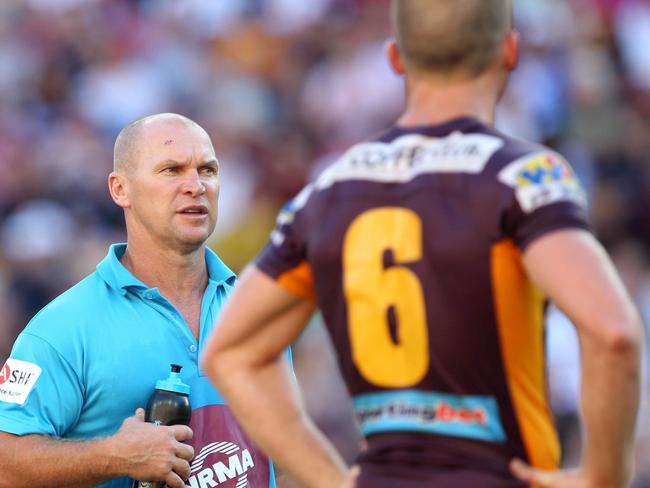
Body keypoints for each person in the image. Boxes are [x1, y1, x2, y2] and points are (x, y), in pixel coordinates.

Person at [200, 1, 645, 487]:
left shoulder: (328, 191)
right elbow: (613, 332)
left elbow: (229, 352)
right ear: (509, 51)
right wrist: (604, 474)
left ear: (395, 58)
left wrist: (328, 479)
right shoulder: (523, 177)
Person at [0, 113, 279, 487]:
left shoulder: (258, 312)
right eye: (171, 170)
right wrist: (115, 456)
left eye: (207, 170)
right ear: (120, 189)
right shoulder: (62, 328)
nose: (195, 185)